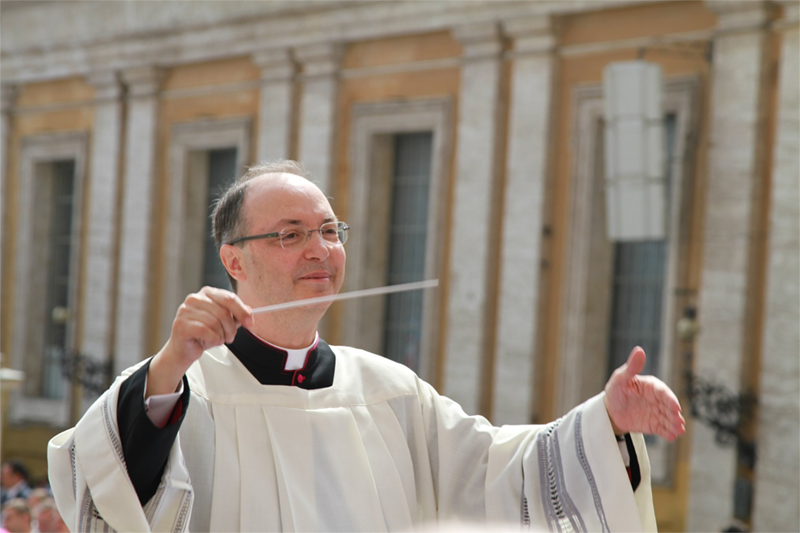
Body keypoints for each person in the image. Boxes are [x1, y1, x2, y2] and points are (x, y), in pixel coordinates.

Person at [48, 160, 685, 532]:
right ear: (231, 260)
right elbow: (107, 490)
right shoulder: (182, 388)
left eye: (329, 230)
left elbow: (504, 476)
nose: (320, 250)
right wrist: (165, 369)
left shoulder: (392, 393)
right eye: (290, 234)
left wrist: (606, 424)